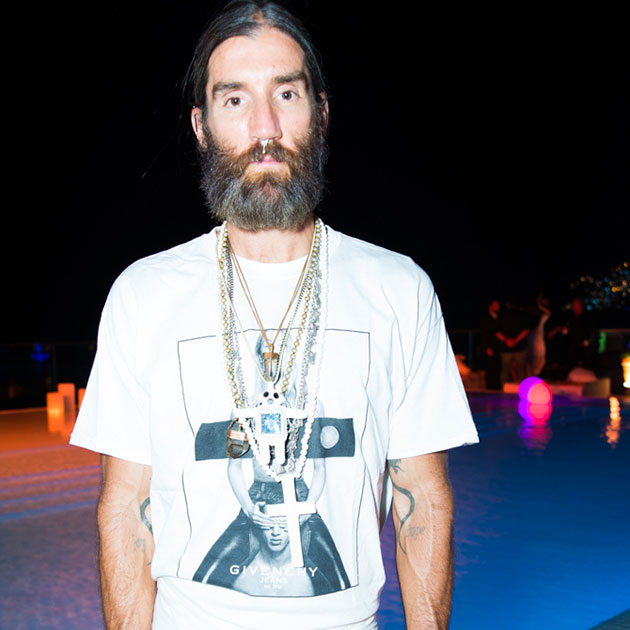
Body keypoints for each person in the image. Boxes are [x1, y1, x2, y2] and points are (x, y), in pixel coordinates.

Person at [70, 2, 479, 629]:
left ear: (321, 111)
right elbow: (126, 510)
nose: (265, 127)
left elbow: (422, 502)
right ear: (202, 126)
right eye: (235, 99)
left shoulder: (398, 289)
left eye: (286, 94)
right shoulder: (143, 295)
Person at [495, 296, 531, 386]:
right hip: (519, 347)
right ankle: (522, 390)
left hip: (506, 347)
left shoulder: (501, 315)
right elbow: (526, 330)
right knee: (521, 371)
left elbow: (497, 332)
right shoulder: (522, 314)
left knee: (505, 371)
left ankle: (503, 389)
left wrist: (507, 340)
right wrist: (516, 340)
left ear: (507, 305)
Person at [479, 298, 501, 389]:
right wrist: (487, 347)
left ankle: (497, 386)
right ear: (490, 307)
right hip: (490, 347)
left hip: (499, 347)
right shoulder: (486, 319)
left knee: (498, 368)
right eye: (495, 305)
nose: (498, 307)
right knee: (490, 368)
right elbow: (484, 334)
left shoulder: (499, 317)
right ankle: (490, 387)